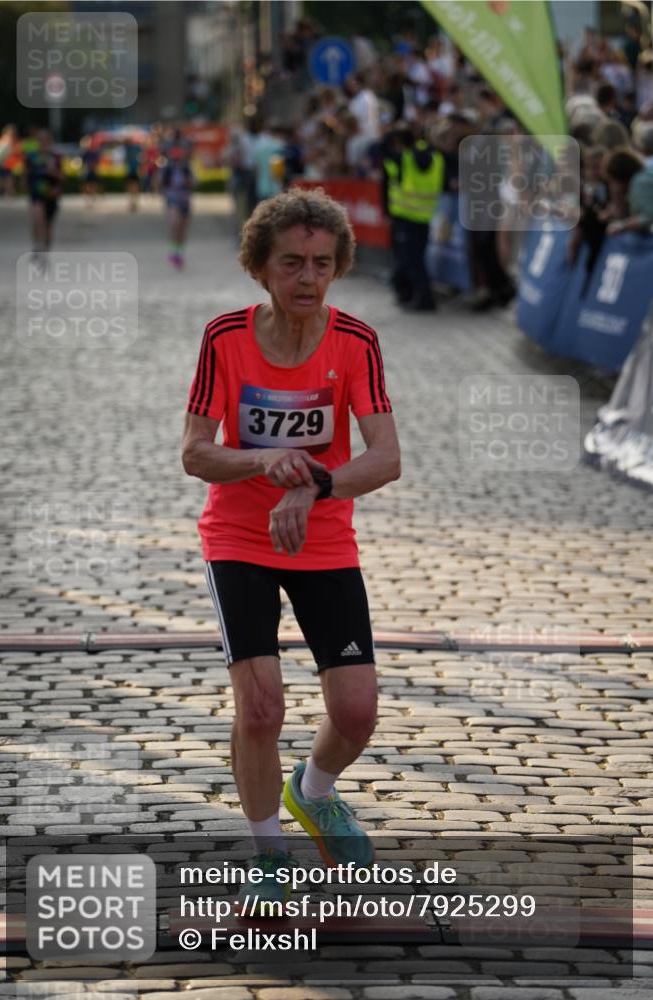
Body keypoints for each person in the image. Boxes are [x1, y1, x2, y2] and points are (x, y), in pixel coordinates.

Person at [182, 187, 401, 912]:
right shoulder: (226, 338)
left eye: (320, 264)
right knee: (260, 708)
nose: (307, 279)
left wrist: (314, 484)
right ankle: (267, 855)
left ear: (336, 267)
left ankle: (312, 792)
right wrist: (261, 464)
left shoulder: (355, 343)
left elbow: (386, 458)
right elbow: (195, 453)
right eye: (290, 264)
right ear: (259, 269)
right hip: (239, 537)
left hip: (323, 537)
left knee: (358, 709)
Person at [383, 122, 445, 311]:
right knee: (417, 260)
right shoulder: (435, 157)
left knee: (411, 261)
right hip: (425, 217)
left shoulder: (403, 159)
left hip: (406, 217)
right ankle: (414, 296)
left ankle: (424, 300)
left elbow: (384, 154)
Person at [25, 129, 63, 262]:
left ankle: (46, 251)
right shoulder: (31, 156)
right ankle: (36, 246)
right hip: (36, 194)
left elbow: (63, 177)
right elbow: (26, 173)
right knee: (37, 218)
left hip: (52, 195)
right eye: (40, 140)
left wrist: (53, 172)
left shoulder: (56, 157)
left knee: (48, 225)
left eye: (45, 140)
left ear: (50, 141)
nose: (43, 143)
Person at [160, 133, 194, 268]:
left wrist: (188, 182)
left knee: (182, 229)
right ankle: (173, 251)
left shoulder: (187, 167)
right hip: (172, 199)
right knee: (175, 223)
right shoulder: (167, 167)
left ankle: (179, 252)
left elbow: (194, 183)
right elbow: (159, 183)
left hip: (185, 200)